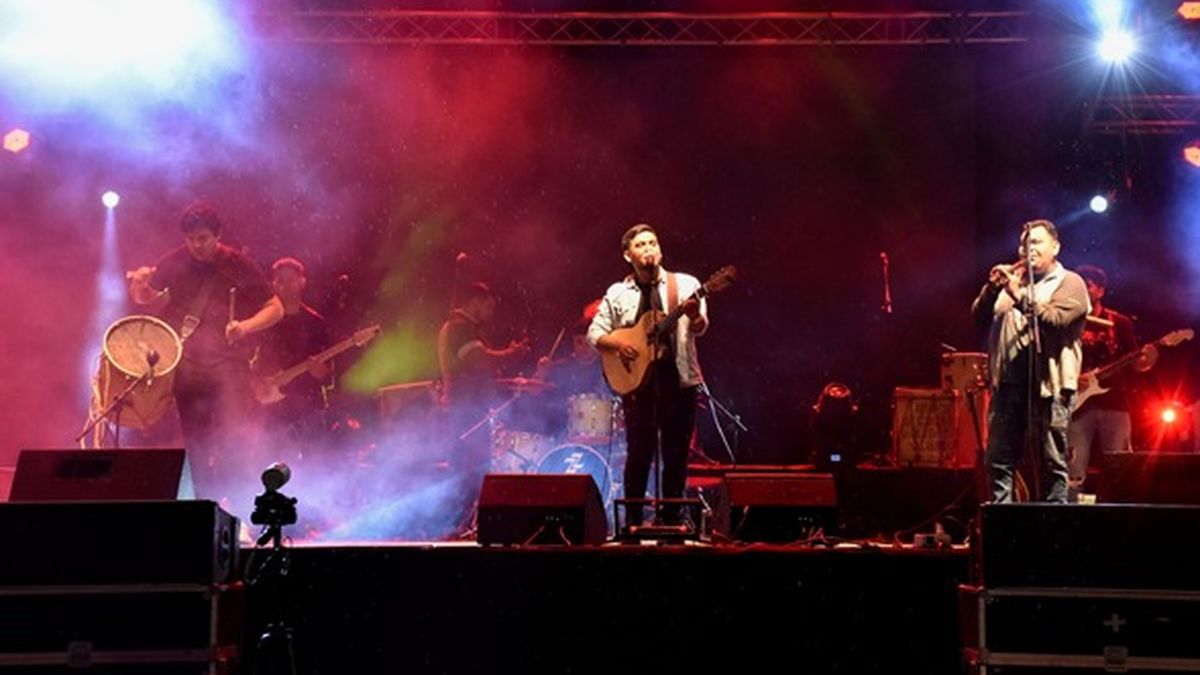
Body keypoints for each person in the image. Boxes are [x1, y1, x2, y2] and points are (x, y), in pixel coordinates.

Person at [127, 201, 283, 496]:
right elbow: (145, 298)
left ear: (217, 234)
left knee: (232, 441)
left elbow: (275, 308)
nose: (196, 245)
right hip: (187, 369)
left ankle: (235, 509)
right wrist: (139, 285)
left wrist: (245, 326)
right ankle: (205, 506)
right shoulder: (174, 261)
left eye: (203, 238)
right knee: (196, 444)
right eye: (190, 239)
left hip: (229, 368)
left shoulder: (238, 264)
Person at [588, 223, 709, 528]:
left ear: (660, 249)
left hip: (679, 382)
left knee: (676, 454)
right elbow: (595, 333)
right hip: (638, 386)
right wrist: (620, 343)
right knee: (639, 453)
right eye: (640, 245)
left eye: (652, 243)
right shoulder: (618, 292)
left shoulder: (685, 285)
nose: (648, 249)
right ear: (628, 255)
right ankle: (632, 521)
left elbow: (700, 328)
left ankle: (671, 520)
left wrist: (694, 315)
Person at [971, 219, 1089, 503]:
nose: (1028, 248)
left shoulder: (1070, 282)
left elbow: (1056, 321)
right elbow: (978, 317)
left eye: (1036, 242)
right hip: (1008, 387)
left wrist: (1019, 295)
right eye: (1024, 243)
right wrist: (990, 289)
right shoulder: (1011, 283)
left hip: (1049, 389)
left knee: (1050, 463)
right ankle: (1005, 528)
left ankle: (1053, 531)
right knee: (998, 460)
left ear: (1055, 247)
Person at [436, 281, 530, 531]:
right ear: (476, 301)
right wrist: (513, 353)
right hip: (466, 411)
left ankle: (464, 525)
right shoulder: (460, 327)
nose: (491, 313)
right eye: (489, 306)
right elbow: (480, 362)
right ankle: (462, 527)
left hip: (465, 409)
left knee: (469, 471)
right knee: (471, 471)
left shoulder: (459, 327)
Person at [1068, 265, 1154, 500]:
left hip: (1115, 404)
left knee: (1120, 468)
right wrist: (1072, 379)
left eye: (1088, 286)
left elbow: (1136, 363)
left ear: (1101, 291)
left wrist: (1148, 360)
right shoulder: (1069, 321)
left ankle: (1119, 522)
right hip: (1078, 406)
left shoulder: (1120, 322)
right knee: (1073, 471)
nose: (1083, 291)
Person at [252, 257, 333, 456]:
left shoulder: (316, 323)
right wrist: (254, 382)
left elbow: (328, 374)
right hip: (272, 408)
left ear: (302, 282)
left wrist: (319, 372)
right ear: (273, 284)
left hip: (308, 407)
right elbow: (248, 359)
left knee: (313, 463)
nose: (285, 285)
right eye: (280, 280)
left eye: (291, 280)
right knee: (273, 463)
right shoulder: (264, 321)